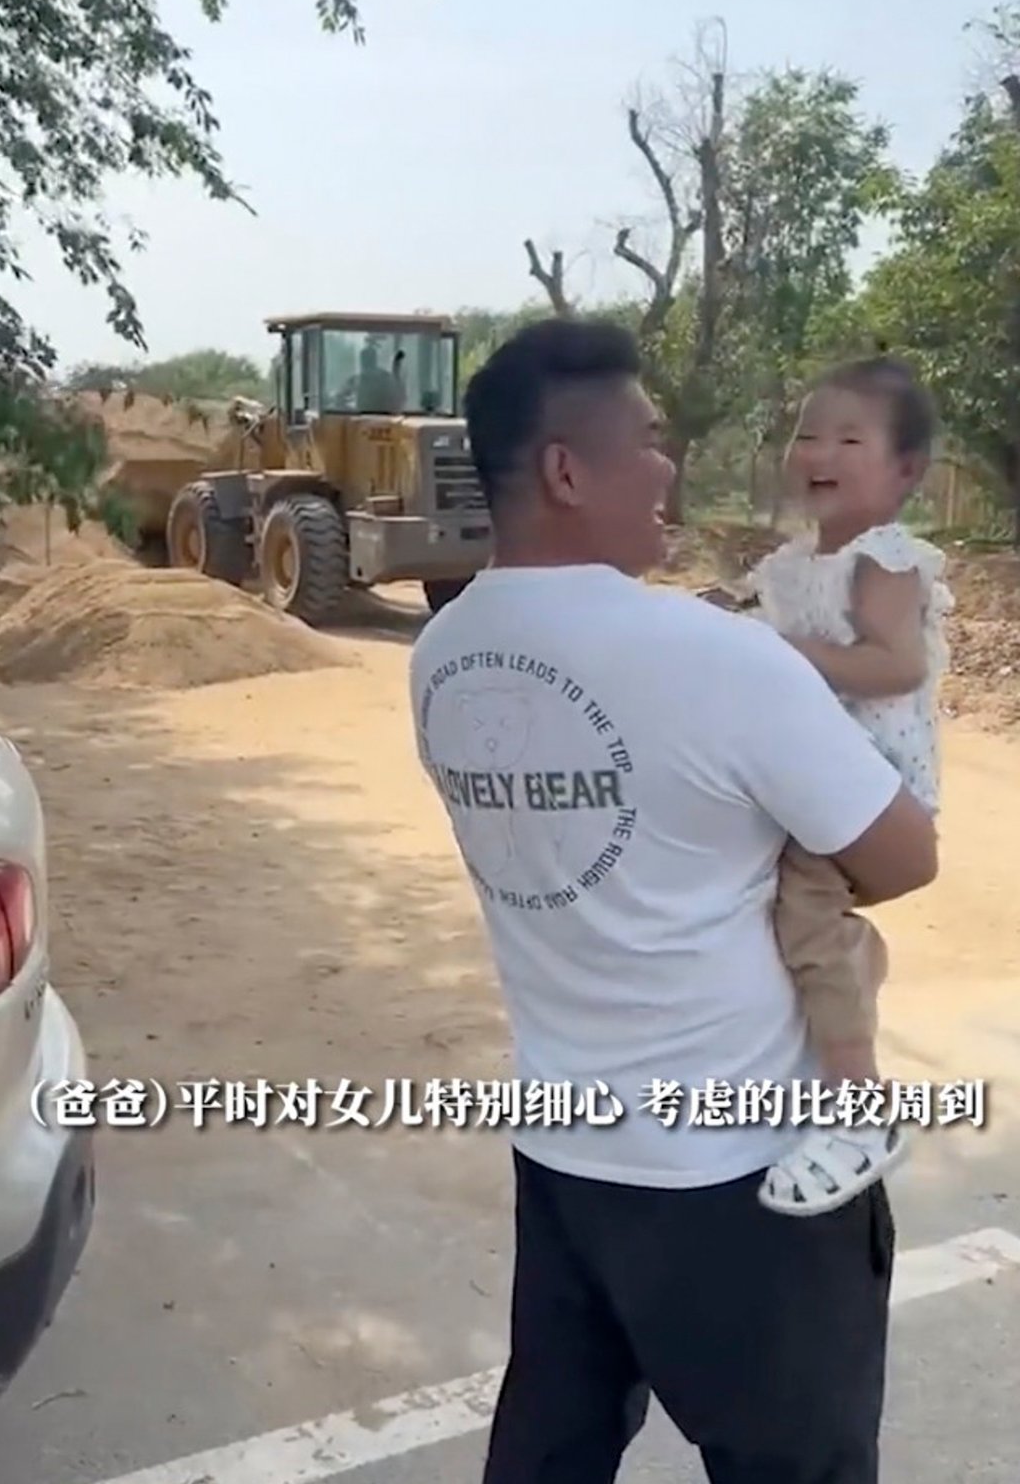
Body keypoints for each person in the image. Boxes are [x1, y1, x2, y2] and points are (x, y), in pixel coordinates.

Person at [408, 317, 937, 1484]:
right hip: (744, 1173)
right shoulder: (718, 656)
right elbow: (903, 857)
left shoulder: (441, 653)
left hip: (565, 1156)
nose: (670, 468)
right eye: (648, 442)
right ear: (564, 469)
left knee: (549, 1453)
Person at [737, 357, 952, 1219]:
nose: (818, 449)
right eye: (807, 432)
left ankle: (861, 1111)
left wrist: (780, 655)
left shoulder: (884, 561)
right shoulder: (795, 563)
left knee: (806, 916)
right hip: (806, 777)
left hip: (868, 786)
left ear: (905, 473)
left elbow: (895, 665)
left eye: (849, 437)